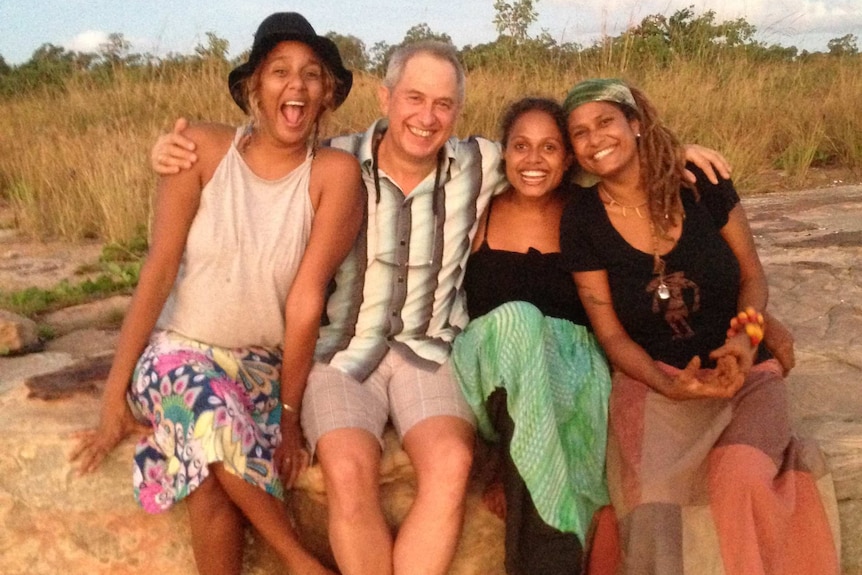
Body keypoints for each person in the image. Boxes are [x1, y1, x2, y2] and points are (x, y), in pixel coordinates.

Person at [150, 43, 732, 575]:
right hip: (344, 350)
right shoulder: (334, 160)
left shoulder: (479, 164)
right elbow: (263, 153)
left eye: (444, 105)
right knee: (350, 474)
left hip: (430, 352)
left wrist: (666, 149)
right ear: (386, 98)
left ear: (458, 112)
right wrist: (174, 148)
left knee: (451, 465)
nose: (427, 118)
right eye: (415, 99)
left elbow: (558, 154)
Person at [69, 12, 363, 575]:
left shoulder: (334, 172)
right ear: (255, 87)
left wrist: (289, 413)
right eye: (279, 72)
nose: (295, 85)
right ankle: (302, 562)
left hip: (262, 365)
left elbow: (305, 303)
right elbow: (158, 271)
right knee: (208, 422)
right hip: (182, 353)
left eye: (311, 75)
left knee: (205, 480)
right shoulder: (202, 148)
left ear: (327, 94)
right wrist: (113, 398)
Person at [559, 78, 841, 575]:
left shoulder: (699, 180)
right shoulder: (581, 216)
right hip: (656, 382)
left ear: (636, 124)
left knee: (742, 476)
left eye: (605, 122)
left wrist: (747, 339)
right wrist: (667, 382)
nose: (594, 138)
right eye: (579, 132)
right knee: (652, 506)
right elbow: (610, 334)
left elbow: (752, 275)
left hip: (742, 372)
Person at [450, 97, 611, 575]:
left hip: (568, 379)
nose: (534, 161)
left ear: (568, 159)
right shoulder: (479, 208)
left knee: (578, 392)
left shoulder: (588, 211)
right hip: (490, 365)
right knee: (521, 320)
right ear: (503, 153)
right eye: (521, 146)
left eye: (549, 148)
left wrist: (682, 154)